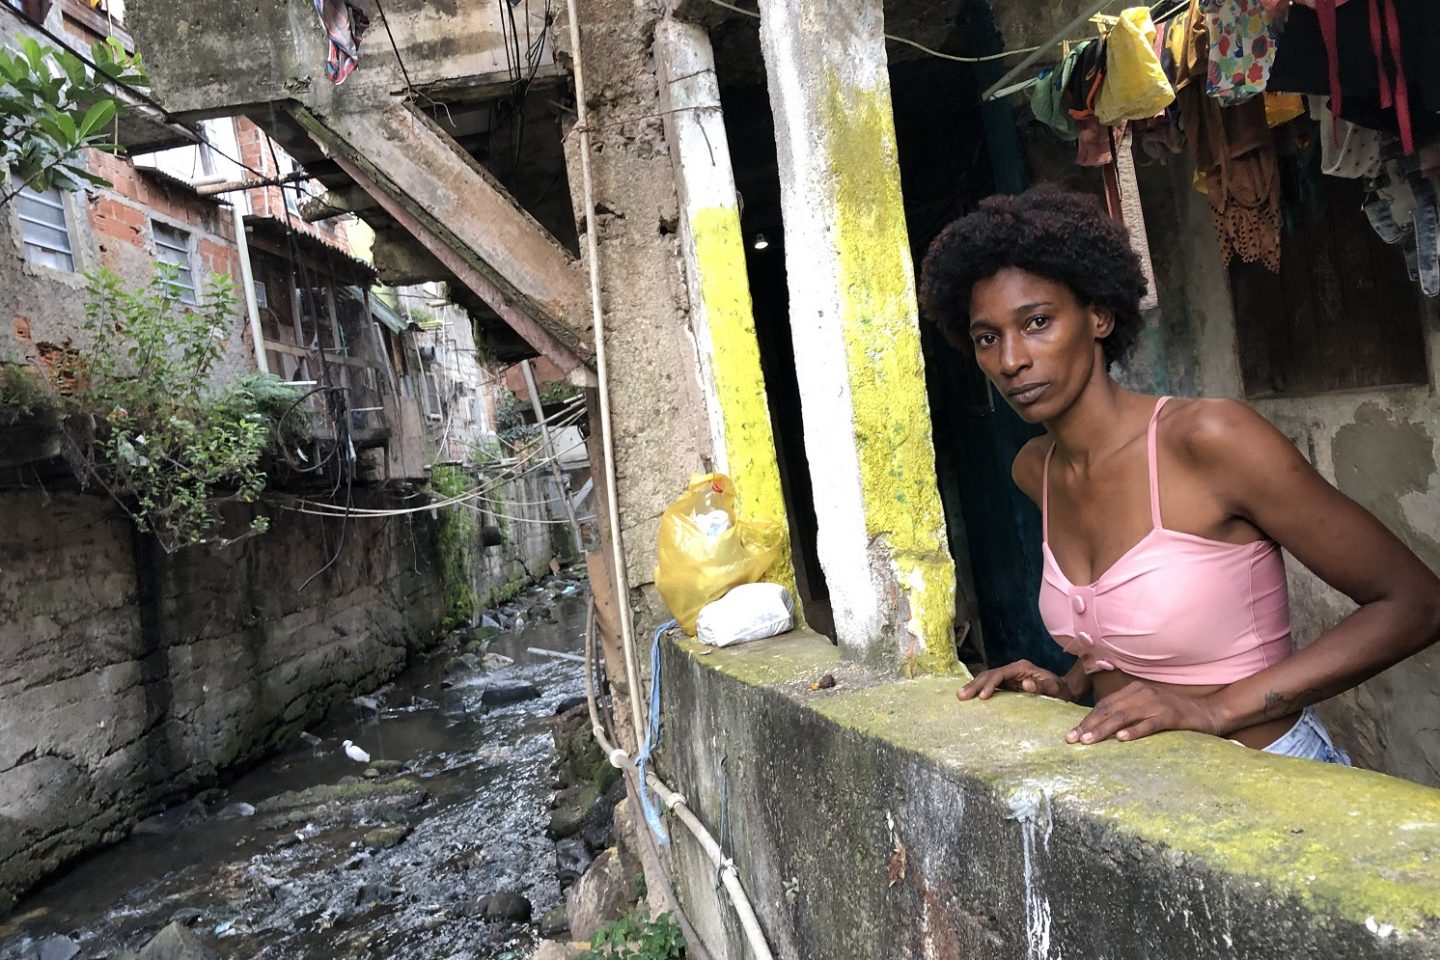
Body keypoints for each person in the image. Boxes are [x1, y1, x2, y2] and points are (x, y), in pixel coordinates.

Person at [918, 184, 1440, 762]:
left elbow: (1415, 603)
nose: (1011, 360)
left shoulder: (1209, 440)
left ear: (1098, 316)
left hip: (1268, 774)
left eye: (1037, 322)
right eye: (987, 338)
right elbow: (1125, 636)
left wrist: (1215, 711)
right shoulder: (1035, 470)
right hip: (1149, 787)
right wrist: (1067, 687)